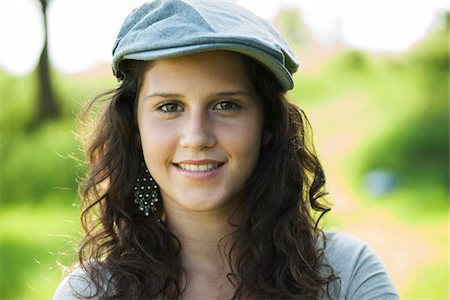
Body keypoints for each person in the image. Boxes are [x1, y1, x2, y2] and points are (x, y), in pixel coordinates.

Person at [54, 0, 399, 299]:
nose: (197, 136)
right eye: (170, 106)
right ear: (135, 128)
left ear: (267, 126)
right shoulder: (89, 294)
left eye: (226, 105)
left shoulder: (348, 275)